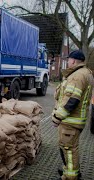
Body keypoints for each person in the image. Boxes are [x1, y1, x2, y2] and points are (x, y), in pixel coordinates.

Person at [52, 50, 93, 180]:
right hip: (75, 120)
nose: (67, 62)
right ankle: (69, 171)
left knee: (68, 149)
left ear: (73, 61)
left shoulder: (77, 76)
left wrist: (57, 116)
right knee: (68, 148)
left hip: (70, 121)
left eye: (68, 60)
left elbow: (71, 100)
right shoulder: (85, 73)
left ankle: (70, 176)